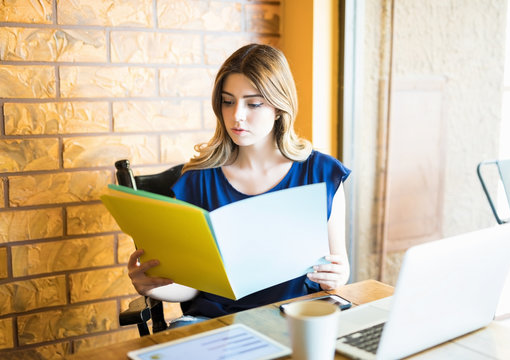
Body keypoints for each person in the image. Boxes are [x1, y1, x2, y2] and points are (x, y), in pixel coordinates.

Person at [127, 43, 351, 326]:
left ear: (280, 108)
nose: (237, 116)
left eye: (253, 103)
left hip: (294, 319)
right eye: (228, 101)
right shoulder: (196, 181)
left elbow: (338, 268)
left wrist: (338, 276)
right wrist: (151, 285)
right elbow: (191, 285)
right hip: (216, 323)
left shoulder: (321, 173)